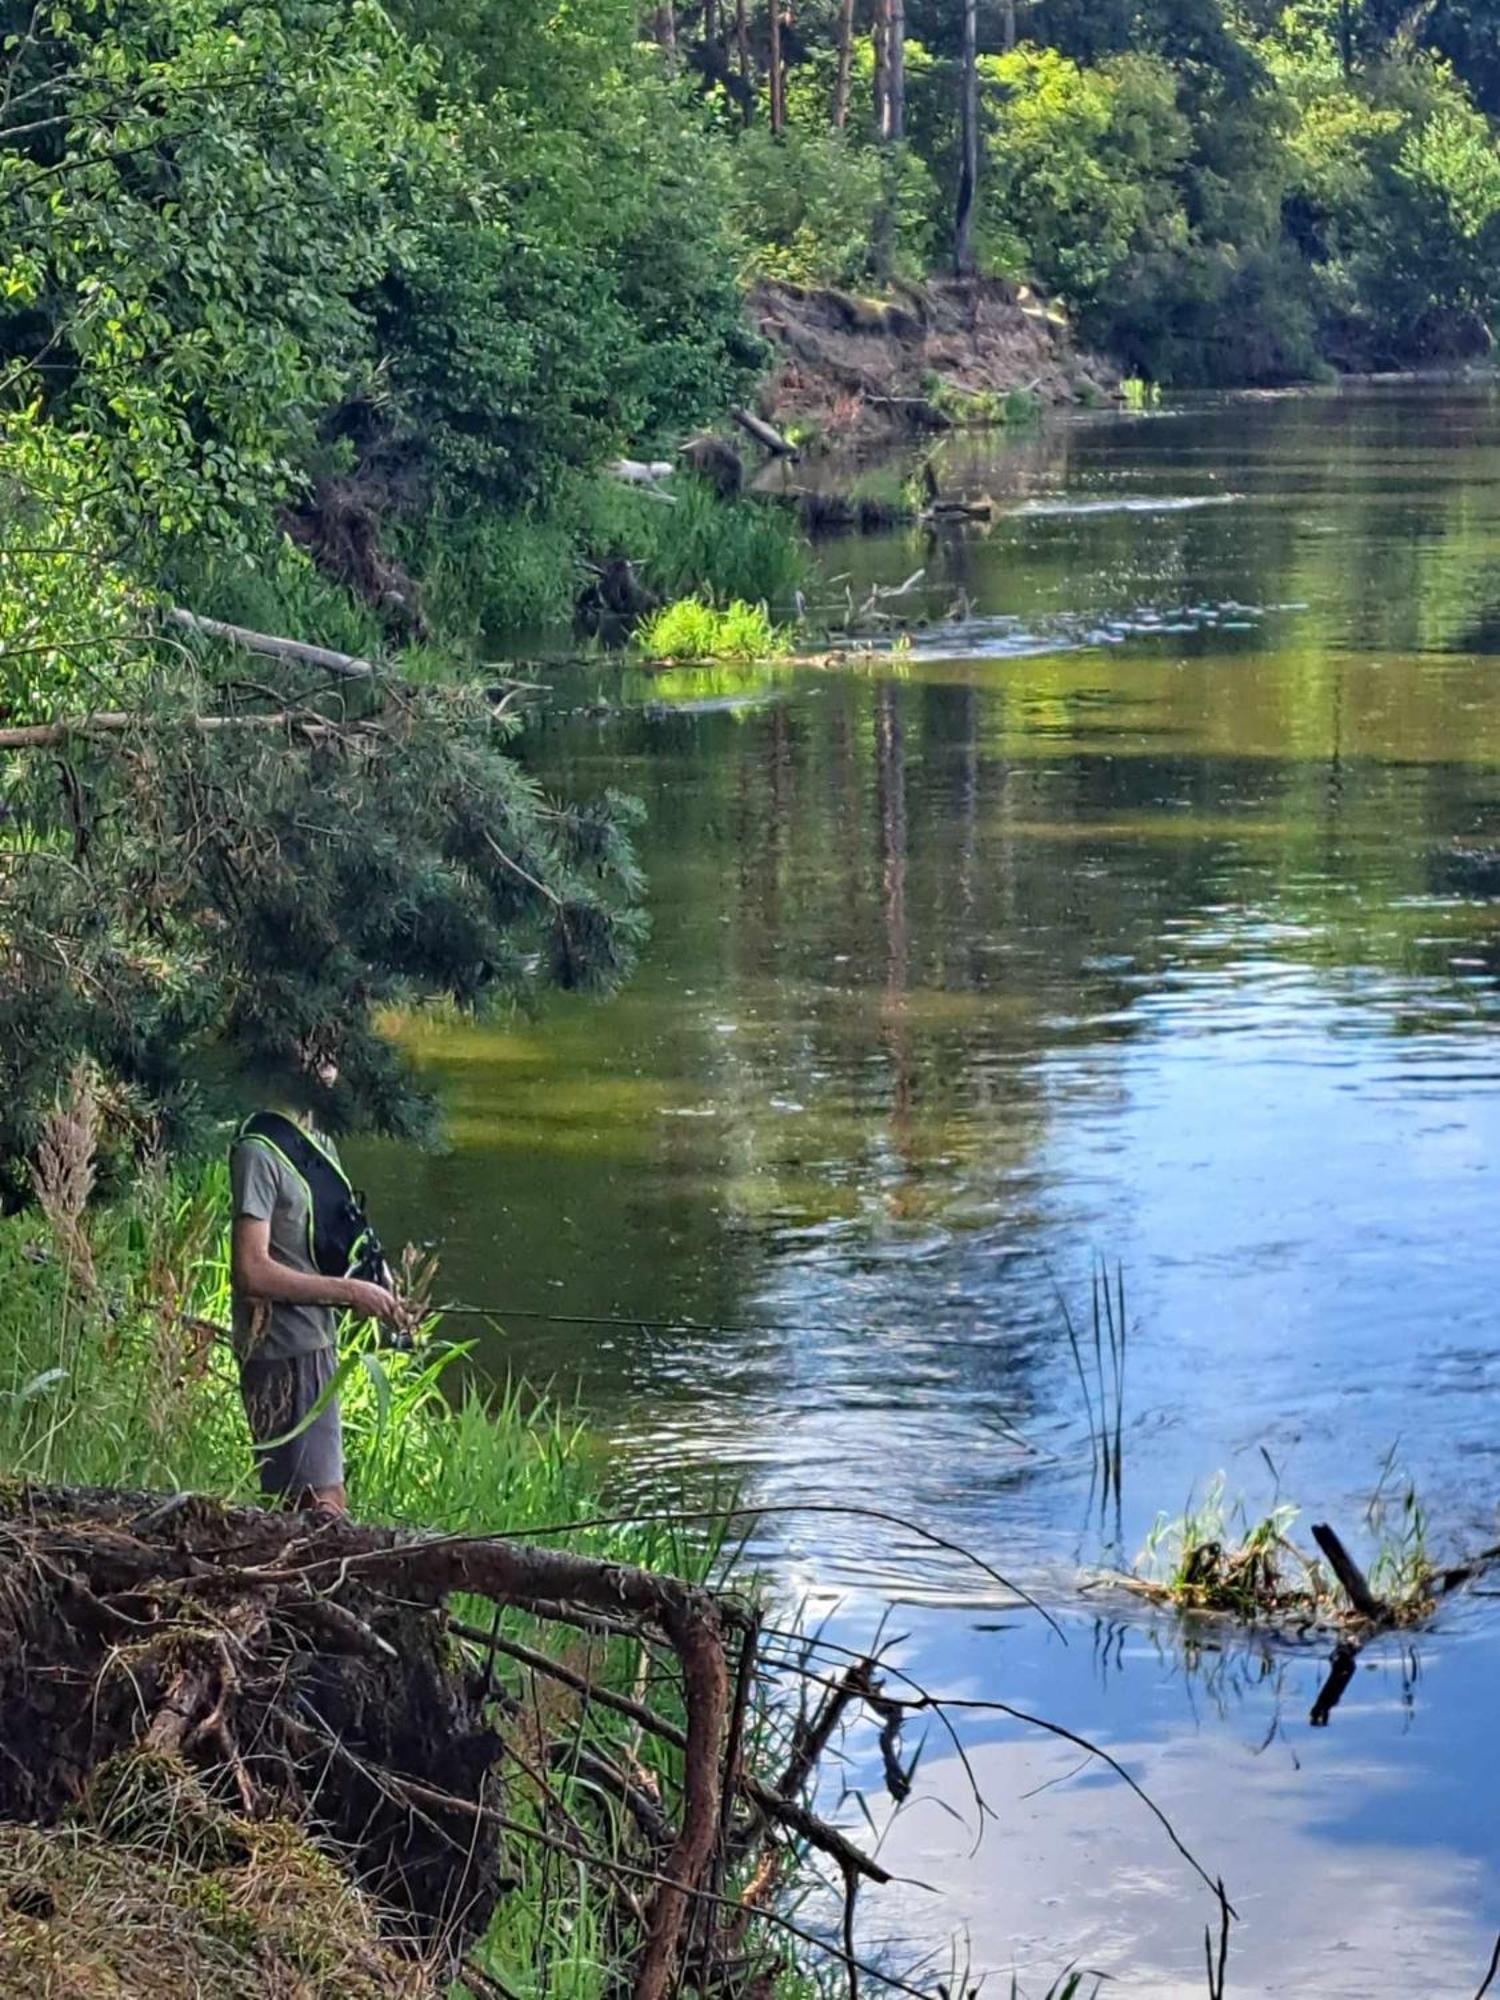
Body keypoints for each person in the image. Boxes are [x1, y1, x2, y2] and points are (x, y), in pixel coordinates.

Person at [229, 1051, 399, 1512]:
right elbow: (251, 1269)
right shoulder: (258, 1151)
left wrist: (378, 1279)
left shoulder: (317, 1137)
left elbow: (333, 1227)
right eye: (315, 1054)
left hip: (316, 1341)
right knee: (321, 1504)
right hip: (282, 1349)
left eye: (333, 1054)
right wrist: (350, 1293)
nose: (330, 1068)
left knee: (309, 1504)